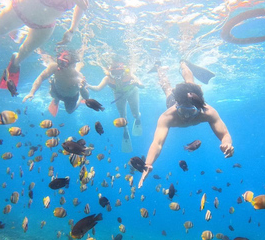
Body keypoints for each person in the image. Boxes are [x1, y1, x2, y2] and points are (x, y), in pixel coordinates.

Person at [138, 60, 234, 189]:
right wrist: (148, 164)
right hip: (174, 99)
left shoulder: (208, 112)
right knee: (167, 89)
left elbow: (225, 134)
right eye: (183, 111)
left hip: (193, 97)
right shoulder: (168, 116)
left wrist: (227, 143)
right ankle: (159, 69)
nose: (187, 116)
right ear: (177, 106)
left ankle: (183, 64)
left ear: (198, 107)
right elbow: (157, 143)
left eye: (192, 111)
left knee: (191, 83)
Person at [87, 60, 144, 153]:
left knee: (135, 114)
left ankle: (138, 118)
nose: (117, 75)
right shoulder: (107, 78)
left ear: (123, 70)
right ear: (110, 72)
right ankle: (125, 131)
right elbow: (97, 88)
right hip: (118, 95)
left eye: (119, 72)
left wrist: (137, 83)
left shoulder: (129, 74)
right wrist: (88, 85)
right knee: (122, 116)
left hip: (132, 92)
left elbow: (142, 86)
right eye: (114, 72)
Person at [22, 49, 89, 116]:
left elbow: (86, 97)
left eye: (64, 63)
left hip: (70, 97)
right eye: (59, 61)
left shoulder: (78, 78)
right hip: (57, 90)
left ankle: (80, 98)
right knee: (52, 93)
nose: (60, 65)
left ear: (73, 65)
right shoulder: (55, 67)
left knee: (69, 111)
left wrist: (82, 89)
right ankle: (56, 98)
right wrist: (32, 92)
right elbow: (41, 77)